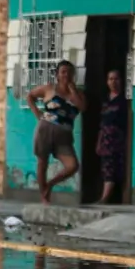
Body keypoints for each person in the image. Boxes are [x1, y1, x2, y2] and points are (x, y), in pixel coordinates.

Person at [26, 60, 86, 204]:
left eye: (70, 72)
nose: (67, 75)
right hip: (45, 129)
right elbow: (30, 96)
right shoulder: (49, 89)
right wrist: (37, 112)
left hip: (64, 136)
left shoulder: (79, 94)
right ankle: (44, 197)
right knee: (42, 162)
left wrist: (72, 90)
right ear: (57, 75)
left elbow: (83, 107)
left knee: (73, 166)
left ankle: (50, 184)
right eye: (63, 72)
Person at [96, 70, 128, 204]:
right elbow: (102, 123)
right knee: (107, 167)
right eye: (110, 79)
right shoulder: (105, 100)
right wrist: (99, 142)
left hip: (118, 139)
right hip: (106, 140)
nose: (113, 82)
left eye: (116, 79)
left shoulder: (124, 100)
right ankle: (105, 197)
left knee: (117, 168)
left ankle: (107, 198)